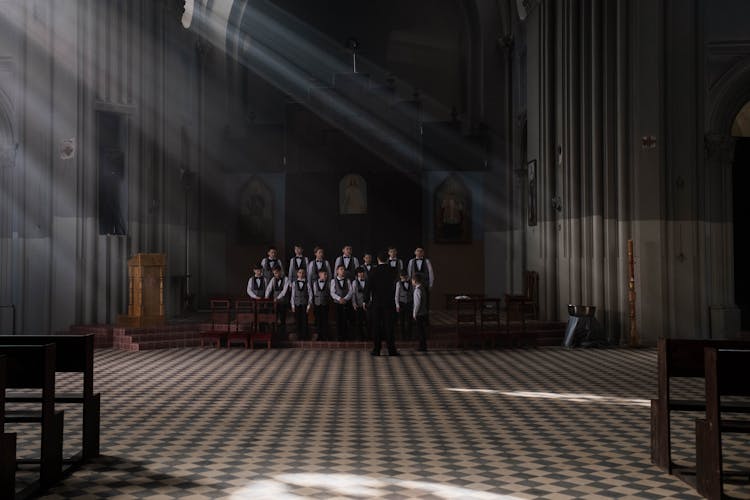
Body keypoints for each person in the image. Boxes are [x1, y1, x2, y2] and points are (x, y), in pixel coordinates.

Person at [365, 252, 399, 356]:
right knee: (389, 326)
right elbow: (395, 285)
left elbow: (368, 286)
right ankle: (391, 350)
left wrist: (366, 300)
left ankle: (376, 349)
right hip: (389, 302)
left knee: (376, 326)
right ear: (387, 259)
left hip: (376, 303)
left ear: (378, 259)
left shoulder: (373, 270)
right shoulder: (392, 270)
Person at [330, 265, 354, 341]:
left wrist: (345, 299)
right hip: (337, 303)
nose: (343, 271)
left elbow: (351, 291)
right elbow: (332, 292)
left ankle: (346, 336)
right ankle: (339, 336)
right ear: (337, 271)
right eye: (341, 269)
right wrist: (339, 298)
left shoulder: (347, 280)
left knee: (346, 319)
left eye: (343, 269)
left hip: (346, 303)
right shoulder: (333, 281)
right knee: (338, 320)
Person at [265, 265, 290, 335]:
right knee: (274, 318)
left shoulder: (286, 279)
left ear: (280, 271)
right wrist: (266, 297)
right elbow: (268, 289)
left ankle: (283, 334)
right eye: (274, 273)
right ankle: (274, 333)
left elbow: (284, 292)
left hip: (283, 302)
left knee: (282, 318)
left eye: (276, 273)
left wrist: (278, 298)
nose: (275, 274)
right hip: (275, 303)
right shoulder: (273, 279)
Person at [290, 268, 312, 340]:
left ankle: (305, 336)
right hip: (297, 304)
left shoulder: (307, 283)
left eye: (302, 272)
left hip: (304, 304)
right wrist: (292, 305)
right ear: (297, 274)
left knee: (304, 321)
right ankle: (298, 336)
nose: (301, 274)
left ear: (304, 274)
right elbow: (292, 295)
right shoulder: (294, 283)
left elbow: (310, 295)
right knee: (297, 320)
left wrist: (308, 306)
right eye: (299, 272)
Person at [311, 268, 331, 340]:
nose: (326, 276)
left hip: (325, 304)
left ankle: (325, 335)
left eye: (326, 274)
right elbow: (315, 293)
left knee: (325, 320)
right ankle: (319, 336)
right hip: (317, 304)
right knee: (318, 320)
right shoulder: (315, 283)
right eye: (324, 274)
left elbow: (329, 293)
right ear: (319, 274)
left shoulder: (328, 283)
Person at [395, 269, 414, 340]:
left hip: (409, 303)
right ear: (400, 277)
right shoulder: (398, 283)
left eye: (404, 276)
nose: (403, 278)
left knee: (409, 320)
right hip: (401, 303)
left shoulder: (411, 283)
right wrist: (397, 305)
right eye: (402, 277)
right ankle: (402, 336)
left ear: (407, 276)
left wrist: (413, 304)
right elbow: (396, 295)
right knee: (402, 321)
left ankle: (409, 335)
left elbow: (413, 293)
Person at [412, 274, 429, 351]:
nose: (411, 282)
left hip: (419, 313)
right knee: (422, 330)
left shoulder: (417, 290)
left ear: (415, 281)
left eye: (412, 280)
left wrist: (414, 313)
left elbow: (417, 303)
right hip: (424, 312)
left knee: (420, 331)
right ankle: (423, 346)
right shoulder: (423, 288)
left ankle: (422, 346)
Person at [352, 267, 369, 340]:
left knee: (368, 321)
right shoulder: (354, 282)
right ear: (357, 274)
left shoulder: (368, 281)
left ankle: (368, 336)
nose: (361, 274)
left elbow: (370, 293)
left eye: (362, 272)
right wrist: (354, 303)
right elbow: (353, 294)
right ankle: (360, 337)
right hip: (358, 304)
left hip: (367, 305)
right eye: (359, 273)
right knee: (359, 322)